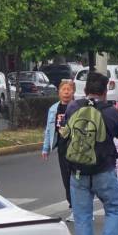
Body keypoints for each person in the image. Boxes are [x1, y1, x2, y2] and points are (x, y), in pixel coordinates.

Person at [62, 71, 118, 235]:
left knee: (82, 215)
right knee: (114, 208)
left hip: (78, 171)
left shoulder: (73, 107)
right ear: (105, 89)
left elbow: (66, 130)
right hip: (103, 170)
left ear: (86, 89)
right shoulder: (109, 111)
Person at [42, 80, 76, 217]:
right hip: (62, 149)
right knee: (66, 179)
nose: (66, 92)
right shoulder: (53, 109)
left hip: (77, 148)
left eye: (69, 89)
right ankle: (73, 207)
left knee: (78, 180)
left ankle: (81, 208)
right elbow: (49, 131)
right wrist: (46, 148)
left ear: (73, 92)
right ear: (59, 92)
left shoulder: (77, 107)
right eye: (64, 89)